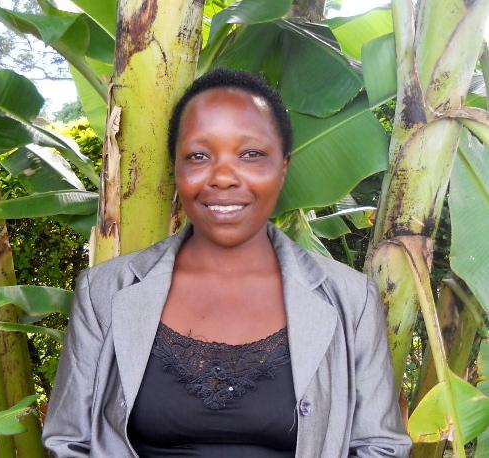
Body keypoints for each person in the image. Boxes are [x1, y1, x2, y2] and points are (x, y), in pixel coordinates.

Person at [42, 69, 412, 457]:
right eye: (198, 156)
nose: (222, 177)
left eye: (251, 155)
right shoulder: (105, 292)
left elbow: (380, 446)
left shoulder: (350, 299)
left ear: (283, 167)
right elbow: (68, 442)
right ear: (176, 168)